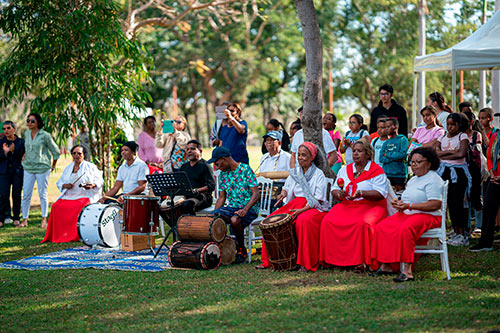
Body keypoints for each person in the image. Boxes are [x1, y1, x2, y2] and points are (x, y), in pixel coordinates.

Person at [372, 147, 444, 282]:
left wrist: (410, 206)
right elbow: (407, 200)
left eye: (418, 162)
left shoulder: (433, 179)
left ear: (428, 163)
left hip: (429, 215)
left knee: (405, 229)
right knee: (382, 226)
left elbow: (435, 204)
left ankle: (407, 270)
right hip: (409, 213)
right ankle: (387, 264)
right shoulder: (413, 179)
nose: (414, 165)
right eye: (412, 162)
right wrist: (399, 204)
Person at [256, 142, 330, 271]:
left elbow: (318, 198)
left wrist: (301, 210)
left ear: (312, 157)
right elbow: (287, 188)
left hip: (312, 207)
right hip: (295, 204)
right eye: (299, 155)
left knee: (303, 221)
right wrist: (283, 193)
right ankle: (269, 260)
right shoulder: (295, 172)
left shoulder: (318, 174)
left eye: (304, 155)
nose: (300, 158)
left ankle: (305, 263)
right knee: (271, 219)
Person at [320, 140, 389, 270]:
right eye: (354, 151)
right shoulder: (345, 169)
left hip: (370, 205)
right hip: (347, 204)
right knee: (328, 221)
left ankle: (361, 261)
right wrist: (338, 194)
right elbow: (334, 188)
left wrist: (362, 193)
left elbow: (381, 193)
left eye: (360, 151)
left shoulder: (376, 170)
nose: (355, 154)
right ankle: (333, 260)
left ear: (368, 154)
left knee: (363, 224)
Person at [42, 145, 103, 243]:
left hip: (84, 195)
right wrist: (65, 185)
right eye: (74, 153)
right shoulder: (68, 168)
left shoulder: (90, 167)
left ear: (84, 155)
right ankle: (60, 234)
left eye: (79, 153)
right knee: (56, 206)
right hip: (69, 195)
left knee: (79, 206)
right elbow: (59, 182)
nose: (76, 155)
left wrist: (92, 185)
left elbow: (100, 181)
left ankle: (76, 234)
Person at [209, 147, 260, 263]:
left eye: (217, 163)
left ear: (224, 159)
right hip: (232, 207)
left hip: (249, 207)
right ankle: (218, 249)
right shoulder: (223, 175)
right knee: (212, 218)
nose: (217, 167)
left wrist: (245, 209)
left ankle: (241, 249)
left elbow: (256, 194)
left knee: (234, 220)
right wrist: (214, 215)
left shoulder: (245, 169)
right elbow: (222, 198)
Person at [436, 113, 471, 246]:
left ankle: (462, 234)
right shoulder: (442, 136)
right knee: (450, 201)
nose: (450, 127)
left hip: (458, 172)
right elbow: (437, 152)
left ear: (459, 125)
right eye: (448, 125)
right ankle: (456, 232)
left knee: (458, 202)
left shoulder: (463, 136)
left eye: (453, 125)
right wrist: (452, 152)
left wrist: (444, 155)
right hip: (444, 171)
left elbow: (461, 153)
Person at [20, 113, 60, 228]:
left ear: (38, 122)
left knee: (42, 194)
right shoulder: (27, 133)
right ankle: (24, 220)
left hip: (42, 168)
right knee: (26, 194)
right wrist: (24, 156)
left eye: (32, 121)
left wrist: (53, 165)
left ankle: (44, 219)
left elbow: (55, 151)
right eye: (28, 120)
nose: (29, 123)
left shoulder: (45, 135)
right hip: (28, 167)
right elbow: (28, 148)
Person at [469, 127, 500, 252]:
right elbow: (490, 155)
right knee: (488, 209)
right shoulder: (496, 135)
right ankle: (486, 242)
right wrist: (492, 172)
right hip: (494, 178)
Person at [178, 140, 216, 214]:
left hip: (202, 197)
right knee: (166, 206)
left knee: (187, 205)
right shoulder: (184, 167)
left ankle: (190, 224)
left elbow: (211, 186)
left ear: (200, 151)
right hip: (186, 196)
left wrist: (196, 190)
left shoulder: (205, 165)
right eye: (187, 149)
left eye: (192, 149)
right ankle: (177, 225)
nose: (189, 151)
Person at [0, 121, 24, 228]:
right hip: (3, 173)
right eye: (4, 129)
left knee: (16, 195)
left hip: (17, 172)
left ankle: (16, 218)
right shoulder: (1, 142)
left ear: (14, 129)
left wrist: (13, 151)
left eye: (8, 128)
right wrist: (5, 153)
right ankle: (3, 217)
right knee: (3, 195)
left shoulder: (20, 142)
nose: (6, 131)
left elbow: (22, 156)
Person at [379, 118, 409, 191]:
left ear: (395, 127)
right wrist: (395, 158)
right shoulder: (386, 142)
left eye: (388, 127)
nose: (386, 129)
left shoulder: (402, 139)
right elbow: (381, 158)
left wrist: (388, 154)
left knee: (399, 196)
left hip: (399, 175)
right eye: (385, 127)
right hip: (387, 174)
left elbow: (402, 155)